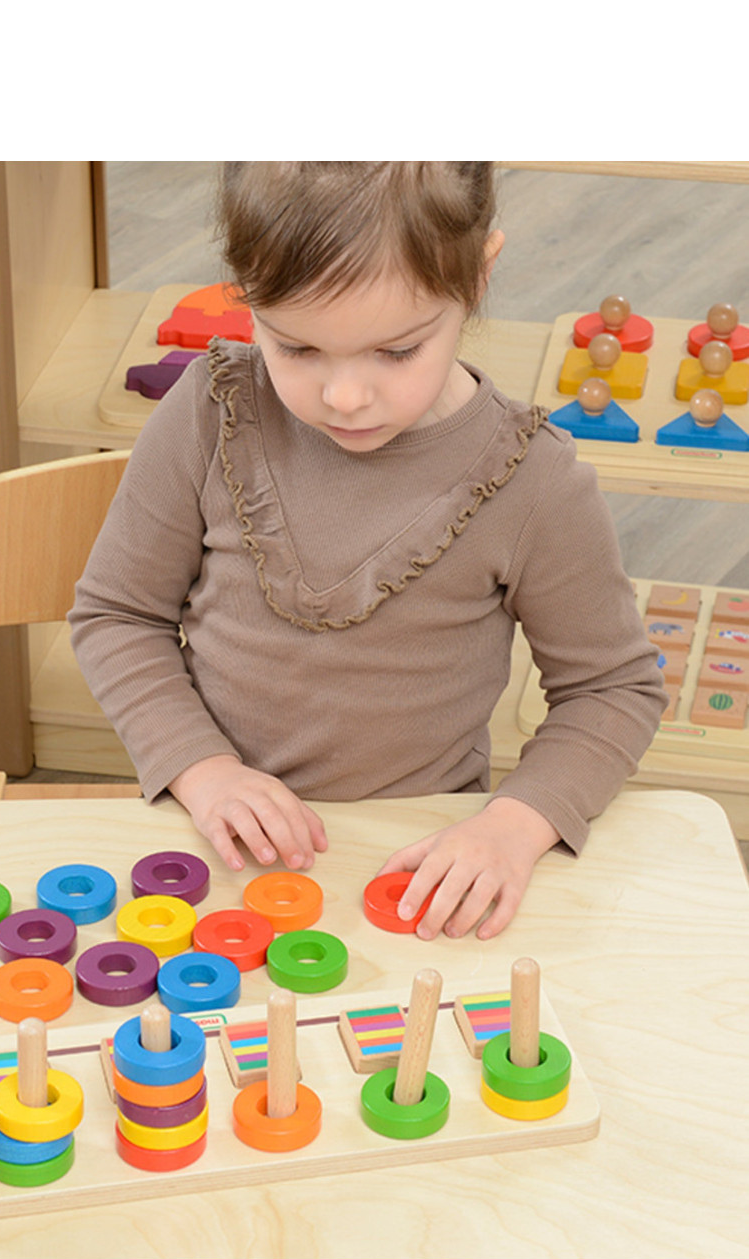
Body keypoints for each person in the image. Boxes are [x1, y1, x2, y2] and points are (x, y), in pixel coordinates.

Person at [69, 162, 665, 941]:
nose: (344, 397)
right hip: (212, 843)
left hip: (413, 863)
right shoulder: (209, 412)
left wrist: (515, 826)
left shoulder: (533, 481)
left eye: (396, 351)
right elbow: (118, 615)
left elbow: (613, 688)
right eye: (296, 347)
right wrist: (202, 769)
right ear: (245, 294)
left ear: (477, 277)